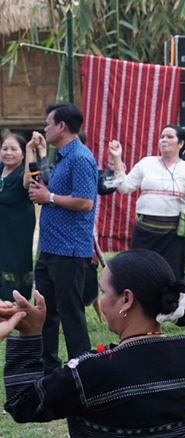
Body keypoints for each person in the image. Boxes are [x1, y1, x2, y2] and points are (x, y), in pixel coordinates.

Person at [3, 248, 185, 438]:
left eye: (103, 292)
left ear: (126, 299)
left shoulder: (90, 373)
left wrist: (29, 335)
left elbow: (23, 404)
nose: (101, 301)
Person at [24, 102, 97, 375]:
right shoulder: (62, 156)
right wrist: (44, 191)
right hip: (49, 247)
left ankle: (82, 369)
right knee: (46, 311)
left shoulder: (80, 157)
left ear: (62, 126)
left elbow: (85, 202)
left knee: (71, 312)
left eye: (48, 124)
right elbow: (49, 187)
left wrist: (49, 197)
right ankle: (49, 369)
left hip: (69, 250)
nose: (45, 128)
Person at [108, 124, 185, 282]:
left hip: (171, 235)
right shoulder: (146, 163)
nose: (164, 140)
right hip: (144, 232)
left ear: (180, 143)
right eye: (162, 137)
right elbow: (124, 187)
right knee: (139, 274)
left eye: (169, 137)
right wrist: (117, 157)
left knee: (170, 276)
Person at [0, 133, 35, 301]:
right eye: (4, 148)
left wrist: (30, 149)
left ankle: (16, 306)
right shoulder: (1, 169)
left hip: (16, 235)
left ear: (23, 154)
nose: (8, 153)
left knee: (13, 274)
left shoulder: (24, 173)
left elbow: (29, 181)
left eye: (14, 149)